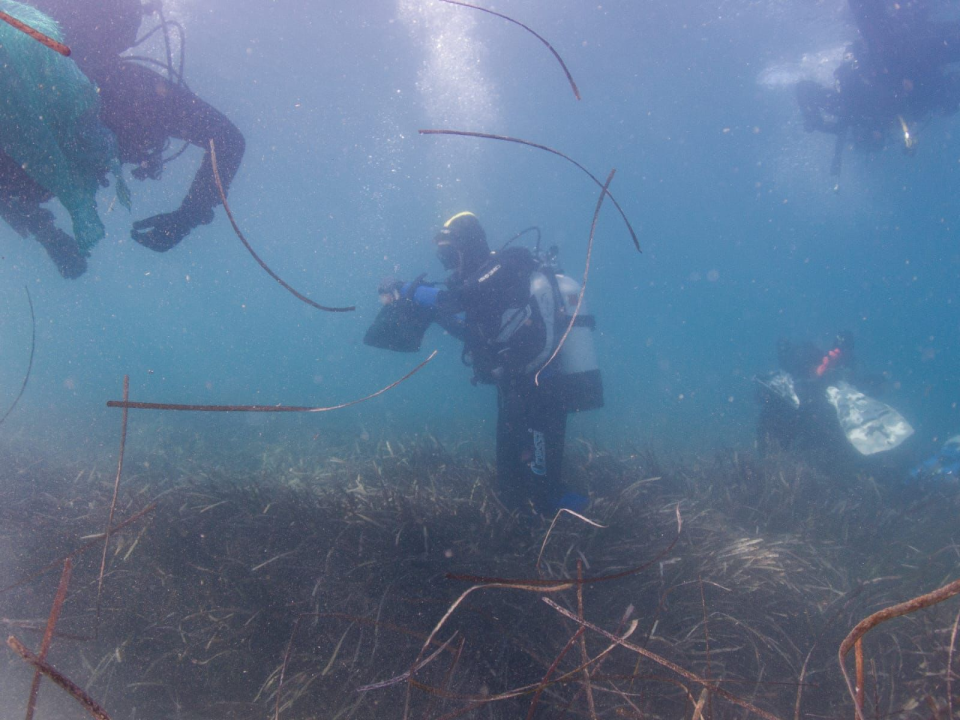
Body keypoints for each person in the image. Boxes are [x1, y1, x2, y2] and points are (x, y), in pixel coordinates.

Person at [365, 212, 603, 518]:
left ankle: (588, 516)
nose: (444, 256)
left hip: (545, 384)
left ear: (467, 243)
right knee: (509, 475)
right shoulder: (474, 280)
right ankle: (526, 520)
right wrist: (436, 315)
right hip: (513, 383)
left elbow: (460, 298)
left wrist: (408, 289)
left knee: (545, 484)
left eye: (448, 247)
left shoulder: (508, 263)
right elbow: (475, 333)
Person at [0, 0, 244, 278]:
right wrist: (189, 214)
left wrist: (48, 235)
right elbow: (226, 139)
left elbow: (227, 139)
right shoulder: (133, 89)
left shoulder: (15, 88)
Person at [795, 0, 960, 174]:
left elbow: (804, 89)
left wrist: (815, 121)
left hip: (888, 60)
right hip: (909, 61)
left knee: (881, 33)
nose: (878, 135)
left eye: (871, 137)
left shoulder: (848, 107)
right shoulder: (902, 112)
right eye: (879, 140)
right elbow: (938, 93)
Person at [755, 331, 914, 473]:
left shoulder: (834, 389)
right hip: (817, 456)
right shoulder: (783, 395)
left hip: (826, 455)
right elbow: (771, 446)